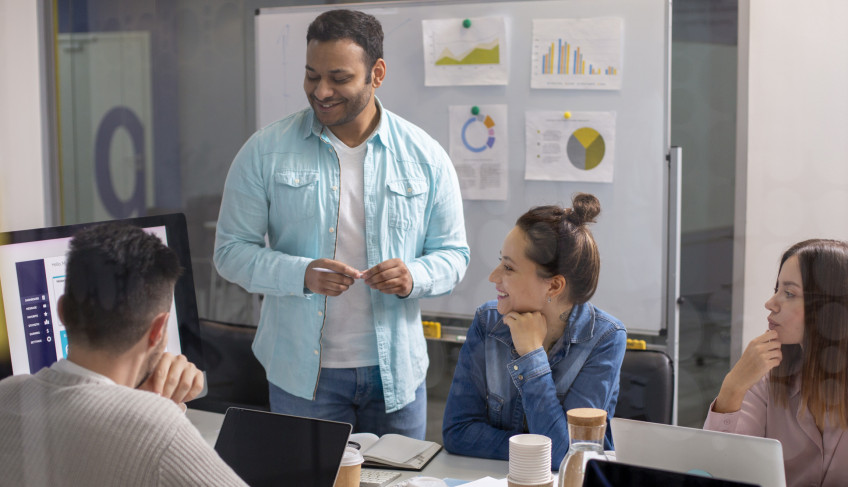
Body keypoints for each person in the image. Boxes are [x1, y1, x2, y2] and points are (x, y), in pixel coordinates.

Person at [213, 9, 468, 439]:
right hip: (302, 376)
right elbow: (230, 252)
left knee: (398, 476)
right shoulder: (265, 151)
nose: (322, 91)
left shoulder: (425, 156)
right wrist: (301, 274)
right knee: (305, 474)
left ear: (377, 74)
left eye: (339, 78)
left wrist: (414, 275)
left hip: (396, 375)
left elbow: (454, 255)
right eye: (312, 75)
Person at [0, 223, 246, 486]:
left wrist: (139, 404)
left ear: (62, 311)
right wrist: (152, 413)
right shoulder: (159, 431)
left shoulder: (7, 394)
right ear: (158, 330)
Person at [442, 193, 627, 468]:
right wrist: (539, 446)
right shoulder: (487, 322)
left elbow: (566, 456)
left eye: (508, 267)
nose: (493, 276)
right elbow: (457, 433)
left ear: (554, 286)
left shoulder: (606, 338)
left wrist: (531, 355)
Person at [704, 239, 848, 487]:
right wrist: (733, 387)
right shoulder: (766, 379)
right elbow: (717, 470)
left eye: (789, 293)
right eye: (777, 289)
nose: (770, 304)